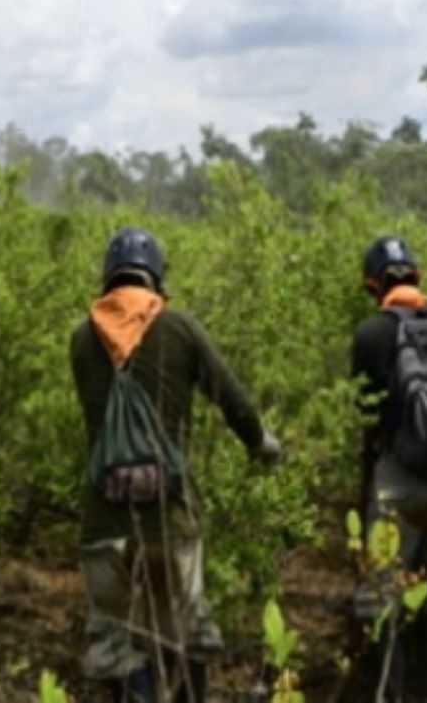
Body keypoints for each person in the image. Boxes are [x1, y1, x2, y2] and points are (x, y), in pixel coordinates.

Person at [69, 226, 283, 703]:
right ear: (156, 278)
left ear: (109, 278)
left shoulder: (82, 339)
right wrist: (259, 444)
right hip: (171, 519)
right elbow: (233, 402)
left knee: (117, 644)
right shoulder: (180, 327)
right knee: (185, 639)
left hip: (104, 526)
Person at [349, 236, 427, 702]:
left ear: (374, 284)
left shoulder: (371, 335)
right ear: (415, 277)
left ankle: (387, 692)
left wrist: (367, 490)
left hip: (397, 483)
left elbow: (367, 422)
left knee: (383, 598)